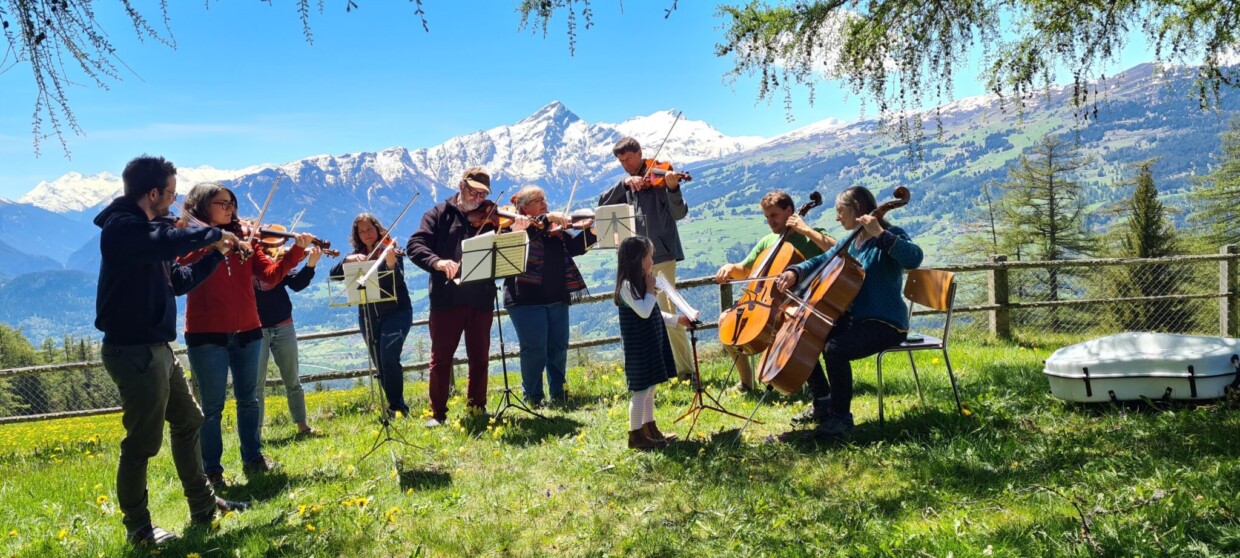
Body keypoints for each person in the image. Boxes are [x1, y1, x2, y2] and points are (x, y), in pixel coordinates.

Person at [95, 155, 248, 546]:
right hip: (134, 351)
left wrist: (215, 254)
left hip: (157, 348)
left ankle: (203, 504)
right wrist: (210, 235)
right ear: (153, 193)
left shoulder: (148, 231)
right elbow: (162, 240)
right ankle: (140, 530)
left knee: (189, 420)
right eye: (171, 194)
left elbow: (179, 280)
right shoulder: (123, 229)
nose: (175, 203)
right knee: (142, 443)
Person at [178, 182, 312, 488]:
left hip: (249, 330)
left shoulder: (244, 238)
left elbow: (271, 276)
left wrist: (296, 251)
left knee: (249, 399)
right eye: (222, 203)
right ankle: (211, 469)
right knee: (211, 406)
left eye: (231, 203)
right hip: (205, 333)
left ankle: (253, 458)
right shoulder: (188, 239)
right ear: (201, 206)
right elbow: (180, 271)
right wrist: (210, 245)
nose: (230, 209)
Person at [773, 186, 924, 437]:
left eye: (840, 211)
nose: (837, 217)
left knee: (835, 348)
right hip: (857, 319)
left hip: (887, 323)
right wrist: (795, 271)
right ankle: (822, 402)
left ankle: (840, 418)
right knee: (808, 333)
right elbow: (824, 259)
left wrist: (881, 235)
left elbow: (915, 258)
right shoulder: (852, 240)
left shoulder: (890, 233)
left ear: (856, 209)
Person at [406, 167, 531, 427]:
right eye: (473, 191)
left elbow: (505, 248)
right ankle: (436, 414)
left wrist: (517, 231)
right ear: (461, 186)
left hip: (481, 296)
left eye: (483, 193)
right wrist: (437, 262)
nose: (478, 197)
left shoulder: (493, 215)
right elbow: (415, 245)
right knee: (441, 359)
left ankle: (477, 408)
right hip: (446, 299)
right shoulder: (438, 215)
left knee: (480, 357)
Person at [713, 190, 836, 390]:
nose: (770, 221)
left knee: (786, 324)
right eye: (767, 217)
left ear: (789, 211)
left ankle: (807, 385)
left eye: (774, 215)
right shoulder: (768, 241)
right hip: (765, 302)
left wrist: (805, 230)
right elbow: (745, 269)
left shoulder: (809, 237)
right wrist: (730, 267)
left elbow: (838, 250)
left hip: (800, 302)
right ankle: (746, 382)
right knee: (725, 320)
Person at [598, 137, 695, 380]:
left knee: (668, 310)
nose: (626, 164)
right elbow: (601, 205)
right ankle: (661, 370)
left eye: (629, 159)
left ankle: (686, 371)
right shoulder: (628, 184)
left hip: (661, 254)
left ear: (640, 153)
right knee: (646, 314)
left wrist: (673, 188)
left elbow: (679, 213)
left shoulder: (662, 178)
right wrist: (624, 184)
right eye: (621, 161)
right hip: (636, 260)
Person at [502, 186, 597, 407]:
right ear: (524, 208)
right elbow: (527, 238)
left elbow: (574, 247)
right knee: (534, 350)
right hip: (525, 300)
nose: (544, 203)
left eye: (544, 199)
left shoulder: (553, 228)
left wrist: (592, 232)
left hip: (557, 296)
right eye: (538, 200)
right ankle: (533, 397)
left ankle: (559, 393)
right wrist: (547, 218)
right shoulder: (517, 228)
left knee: (558, 348)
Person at [330, 214, 413, 418]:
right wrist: (346, 261)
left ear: (377, 229)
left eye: (370, 229)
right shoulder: (356, 255)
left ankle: (397, 406)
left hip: (397, 311)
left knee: (388, 357)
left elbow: (398, 281)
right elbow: (334, 274)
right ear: (357, 235)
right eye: (362, 231)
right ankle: (394, 406)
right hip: (367, 315)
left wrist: (391, 263)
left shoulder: (389, 250)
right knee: (379, 362)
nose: (366, 234)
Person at [615, 236, 693, 450]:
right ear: (638, 259)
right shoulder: (627, 286)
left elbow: (655, 314)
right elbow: (643, 311)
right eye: (650, 256)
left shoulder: (641, 283)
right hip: (638, 348)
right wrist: (650, 290)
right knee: (640, 391)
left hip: (651, 343)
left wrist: (678, 320)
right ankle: (636, 436)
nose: (653, 259)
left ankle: (650, 429)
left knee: (650, 388)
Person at [255, 238, 322, 438]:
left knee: (292, 378)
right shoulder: (246, 262)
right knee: (256, 384)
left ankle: (302, 426)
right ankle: (255, 432)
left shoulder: (277, 264)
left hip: (283, 324)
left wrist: (311, 265)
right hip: (255, 329)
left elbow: (296, 284)